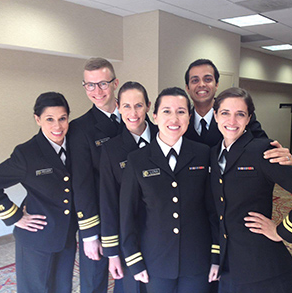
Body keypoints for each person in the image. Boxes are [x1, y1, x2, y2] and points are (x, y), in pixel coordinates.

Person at [210, 87, 292, 293]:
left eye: (240, 114)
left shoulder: (262, 150)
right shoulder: (214, 154)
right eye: (225, 113)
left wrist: (281, 231)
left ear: (249, 119)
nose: (232, 121)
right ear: (215, 116)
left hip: (264, 272)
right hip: (229, 268)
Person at [120, 87, 219, 293]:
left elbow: (213, 209)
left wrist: (216, 255)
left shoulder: (203, 154)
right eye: (166, 111)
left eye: (181, 111)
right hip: (155, 260)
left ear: (189, 117)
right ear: (154, 116)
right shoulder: (137, 159)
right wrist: (134, 260)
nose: (174, 118)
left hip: (197, 259)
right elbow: (128, 214)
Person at [0, 92, 77, 293]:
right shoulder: (27, 153)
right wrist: (15, 216)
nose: (57, 126)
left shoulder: (76, 145)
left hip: (66, 235)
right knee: (35, 288)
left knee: (62, 287)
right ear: (38, 119)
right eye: (49, 119)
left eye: (62, 119)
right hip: (36, 237)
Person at [68, 58, 123, 293]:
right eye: (90, 85)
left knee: (131, 276)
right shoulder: (80, 129)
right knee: (94, 282)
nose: (96, 91)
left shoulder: (134, 117)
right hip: (100, 218)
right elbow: (82, 184)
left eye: (102, 83)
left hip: (135, 214)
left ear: (115, 83)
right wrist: (89, 235)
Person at [99, 81, 157, 292]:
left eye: (139, 105)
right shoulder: (111, 149)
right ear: (118, 106)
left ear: (148, 106)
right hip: (128, 237)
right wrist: (112, 252)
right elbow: (108, 202)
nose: (133, 113)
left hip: (163, 236)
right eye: (126, 106)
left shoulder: (166, 137)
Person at [184, 58, 292, 166]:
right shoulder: (181, 120)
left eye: (208, 79)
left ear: (216, 84)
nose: (202, 84)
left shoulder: (239, 116)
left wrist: (289, 159)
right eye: (195, 80)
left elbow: (263, 145)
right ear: (187, 88)